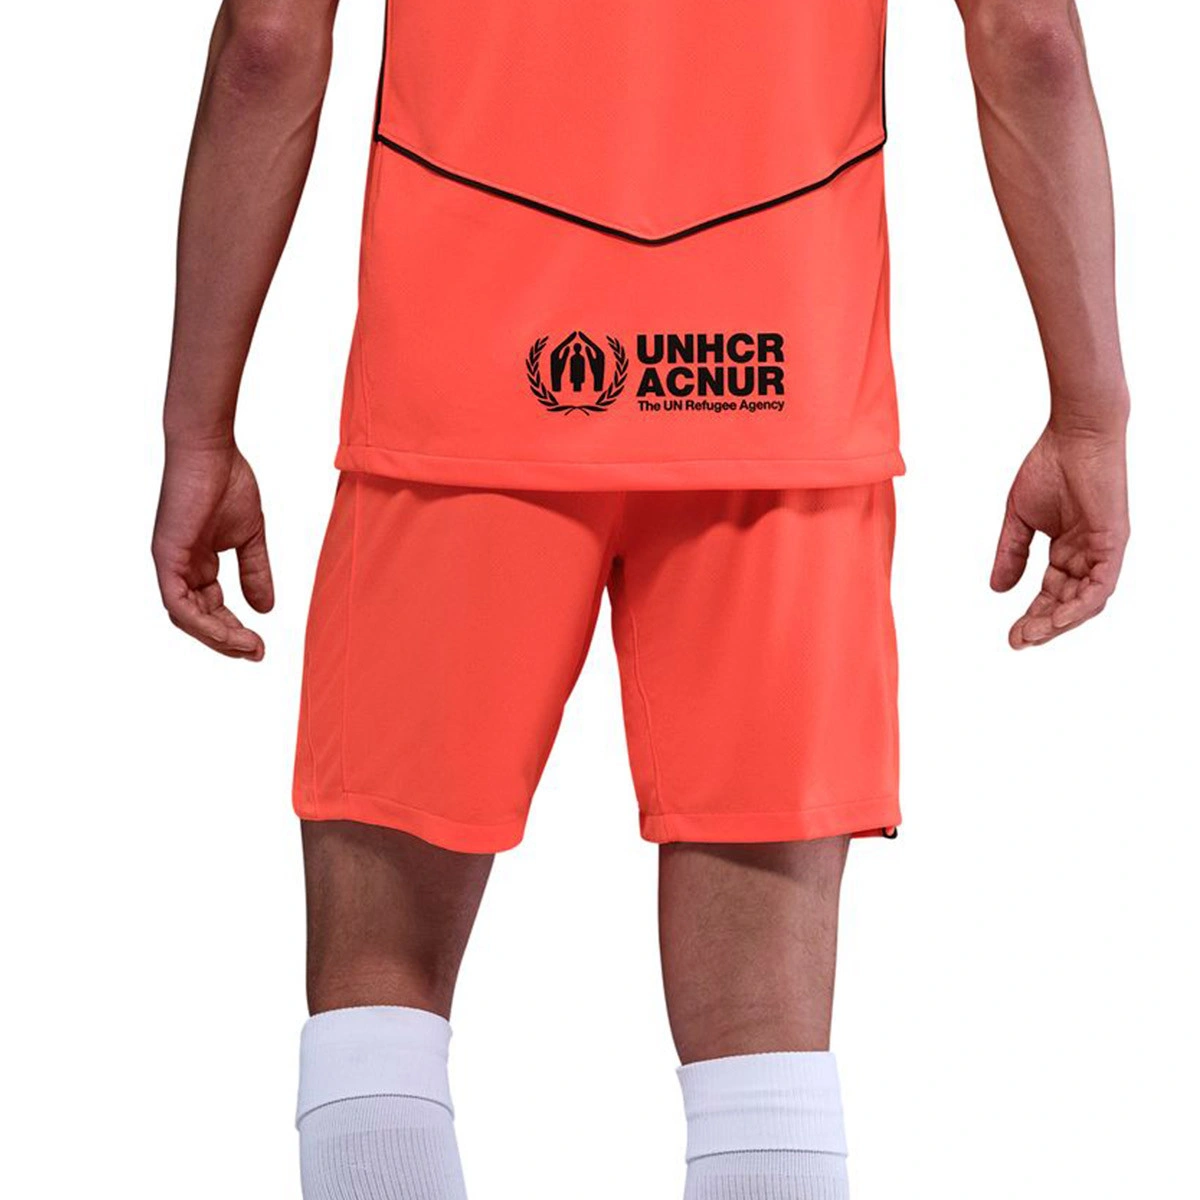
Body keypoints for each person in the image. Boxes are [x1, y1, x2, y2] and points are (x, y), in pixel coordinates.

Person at [151, 1, 1130, 1197]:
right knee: (764, 1042)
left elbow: (265, 43)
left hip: (464, 396)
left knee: (381, 995)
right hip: (775, 399)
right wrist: (1090, 414)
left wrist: (198, 426)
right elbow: (1032, 40)